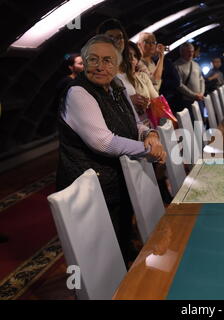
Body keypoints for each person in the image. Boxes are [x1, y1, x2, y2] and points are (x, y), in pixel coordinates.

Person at [56, 35, 166, 264]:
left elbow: (135, 124)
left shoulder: (116, 86)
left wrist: (150, 135)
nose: (100, 66)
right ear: (84, 62)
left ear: (117, 65)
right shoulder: (78, 93)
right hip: (89, 186)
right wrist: (148, 151)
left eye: (107, 60)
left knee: (122, 243)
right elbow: (103, 142)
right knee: (101, 258)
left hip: (116, 180)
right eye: (93, 59)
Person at [117, 41, 159, 127]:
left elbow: (156, 100)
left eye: (135, 56)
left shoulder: (142, 77)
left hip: (148, 123)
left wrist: (147, 103)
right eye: (128, 55)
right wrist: (129, 100)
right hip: (129, 125)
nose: (132, 58)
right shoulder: (116, 78)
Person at [137, 32, 181, 112]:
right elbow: (155, 80)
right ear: (138, 44)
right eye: (147, 42)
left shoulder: (152, 62)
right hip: (145, 107)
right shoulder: (138, 62)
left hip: (155, 103)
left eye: (153, 42)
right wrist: (161, 56)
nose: (151, 45)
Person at [173, 42, 205, 114]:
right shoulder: (176, 66)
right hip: (187, 101)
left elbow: (201, 79)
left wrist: (201, 93)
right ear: (182, 52)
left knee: (200, 121)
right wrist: (194, 95)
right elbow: (179, 85)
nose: (191, 54)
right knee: (192, 122)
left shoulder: (196, 64)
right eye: (188, 51)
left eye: (192, 51)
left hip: (199, 99)